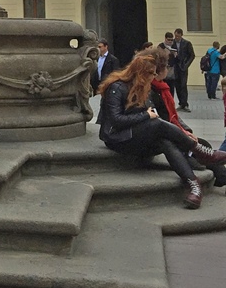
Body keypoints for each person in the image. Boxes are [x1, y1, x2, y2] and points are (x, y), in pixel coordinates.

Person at [96, 49, 226, 209]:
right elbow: (116, 121)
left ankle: (193, 185)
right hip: (116, 138)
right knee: (155, 123)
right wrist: (146, 116)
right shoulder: (116, 87)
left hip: (136, 134)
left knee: (165, 142)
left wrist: (179, 129)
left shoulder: (144, 88)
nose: (153, 76)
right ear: (141, 73)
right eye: (151, 73)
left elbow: (156, 114)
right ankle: (202, 152)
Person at [147, 48, 226, 187]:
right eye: (167, 67)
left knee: (203, 144)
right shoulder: (151, 90)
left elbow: (174, 116)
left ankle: (220, 175)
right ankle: (221, 175)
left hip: (172, 129)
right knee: (199, 149)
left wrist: (186, 130)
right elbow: (160, 118)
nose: (169, 69)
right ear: (159, 71)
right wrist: (182, 133)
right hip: (164, 132)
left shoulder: (162, 88)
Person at [172, 28, 195, 112]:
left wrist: (186, 65)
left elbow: (192, 55)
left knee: (183, 85)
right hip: (175, 67)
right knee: (177, 85)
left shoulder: (187, 43)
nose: (176, 37)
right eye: (175, 36)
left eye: (178, 36)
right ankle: (181, 103)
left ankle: (185, 103)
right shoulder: (172, 43)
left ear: (181, 35)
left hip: (183, 66)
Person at [158, 32, 178, 101]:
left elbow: (178, 58)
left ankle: (171, 100)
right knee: (163, 86)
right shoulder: (161, 46)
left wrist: (175, 55)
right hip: (163, 69)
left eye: (171, 40)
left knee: (171, 87)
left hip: (171, 69)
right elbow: (158, 57)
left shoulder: (174, 46)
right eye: (168, 40)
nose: (170, 42)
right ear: (165, 39)